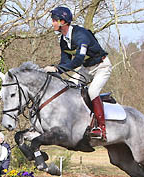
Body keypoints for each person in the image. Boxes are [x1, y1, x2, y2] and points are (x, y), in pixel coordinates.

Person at [44, 6, 112, 141]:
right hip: (86, 69)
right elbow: (65, 62)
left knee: (92, 92)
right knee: (68, 88)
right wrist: (55, 70)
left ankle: (101, 128)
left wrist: (58, 69)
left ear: (63, 22)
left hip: (101, 66)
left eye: (54, 20)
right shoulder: (63, 40)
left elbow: (78, 59)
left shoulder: (81, 35)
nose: (52, 23)